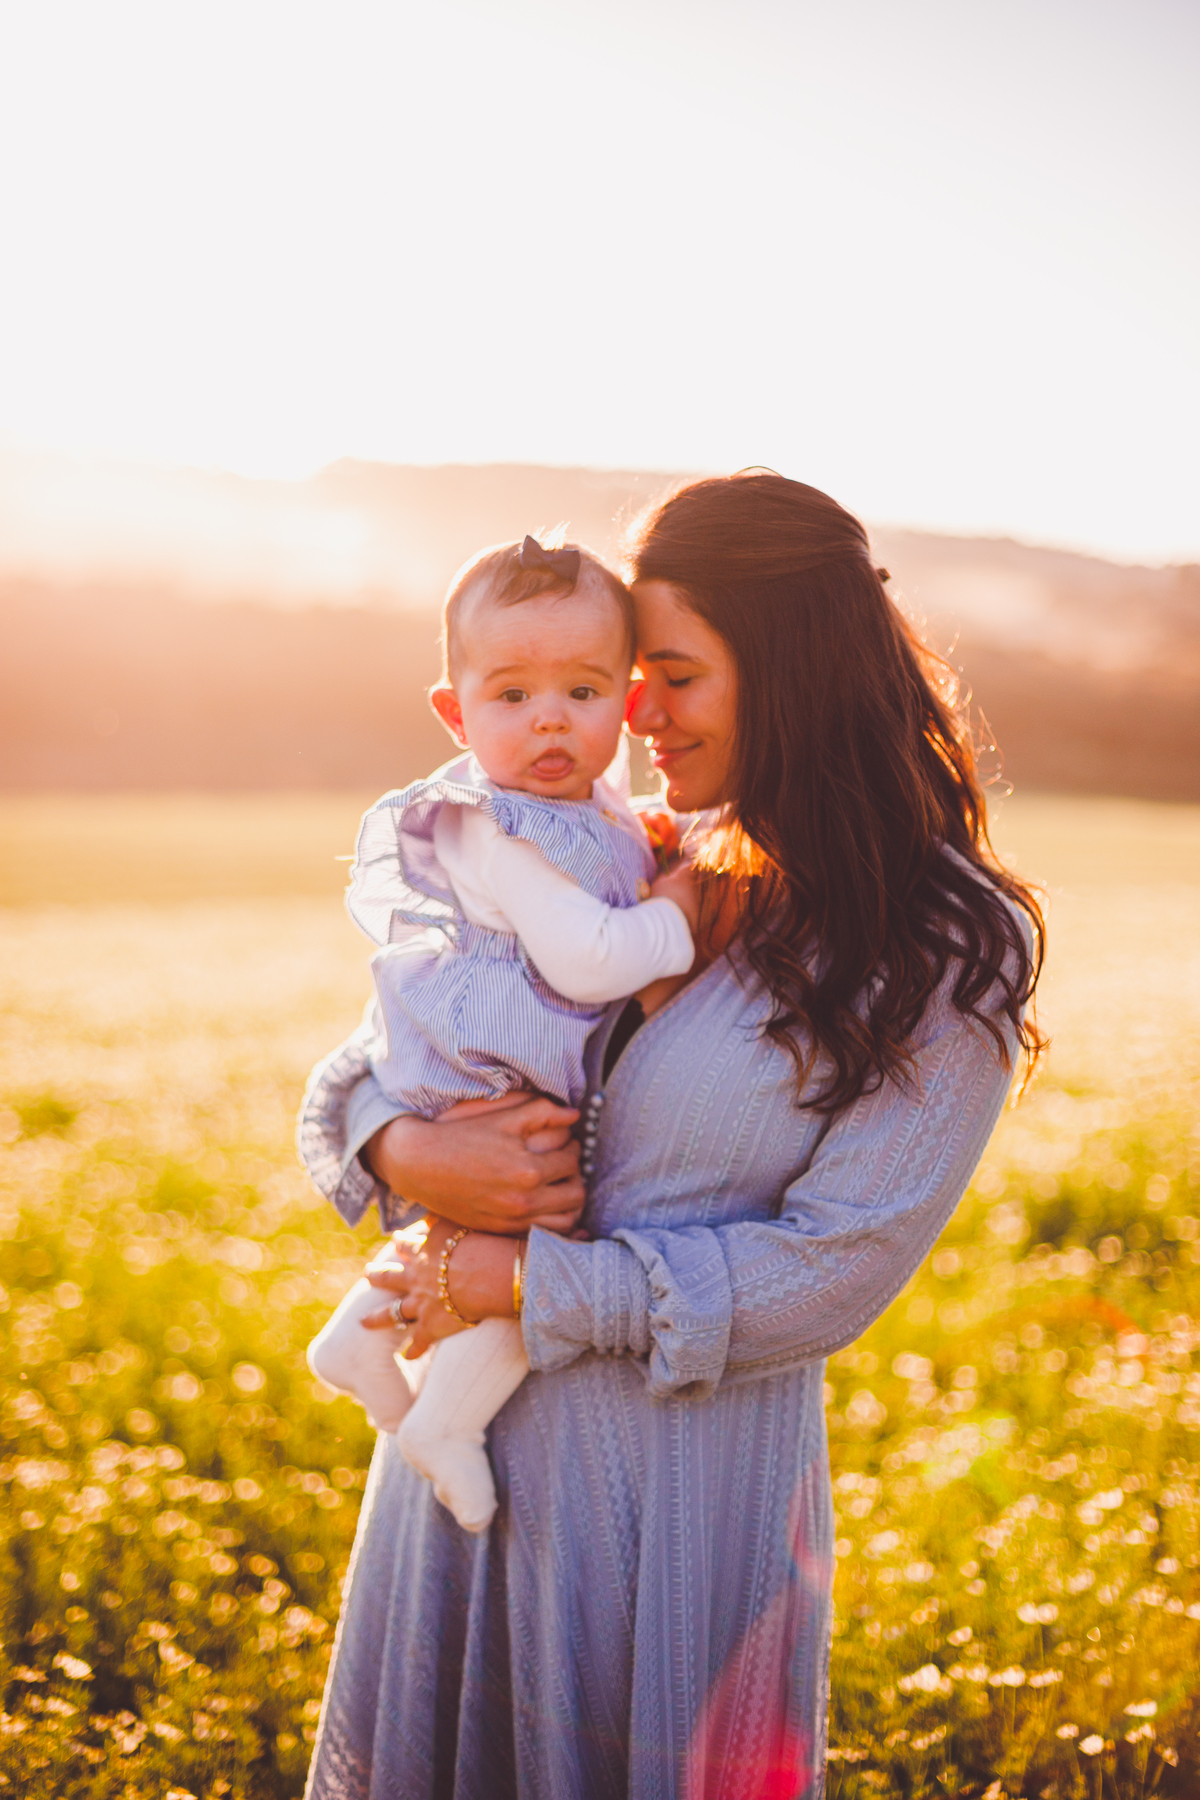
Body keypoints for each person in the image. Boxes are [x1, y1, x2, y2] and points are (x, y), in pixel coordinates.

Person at [296, 472, 1044, 1800]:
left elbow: (832, 1272)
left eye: (674, 675)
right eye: (630, 675)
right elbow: (388, 1051)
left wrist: (534, 1281)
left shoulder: (943, 941)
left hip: (677, 1498)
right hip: (459, 1455)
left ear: (793, 674)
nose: (630, 713)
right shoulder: (629, 850)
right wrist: (405, 1156)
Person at [305, 532, 695, 1532]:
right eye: (512, 697)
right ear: (456, 711)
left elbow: (601, 863)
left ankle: (359, 1338)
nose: (550, 721)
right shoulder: (499, 825)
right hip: (483, 1072)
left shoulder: (584, 803)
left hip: (482, 1067)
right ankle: (447, 1420)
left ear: (630, 693)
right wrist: (678, 919)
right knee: (540, 1251)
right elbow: (590, 962)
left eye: (583, 691)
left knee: (479, 1231)